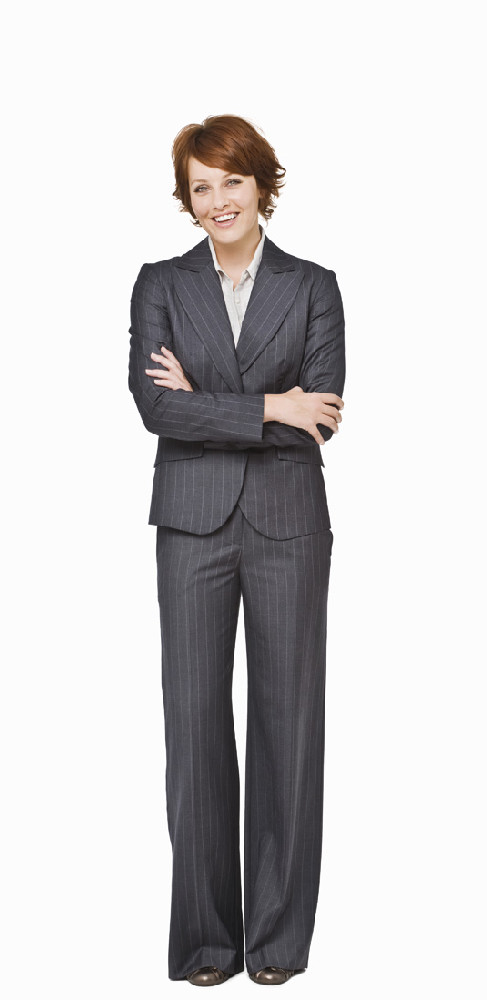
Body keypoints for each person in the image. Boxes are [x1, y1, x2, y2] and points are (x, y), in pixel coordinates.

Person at [128, 114, 346, 987]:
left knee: (290, 729)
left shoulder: (314, 287)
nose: (217, 200)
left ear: (261, 184)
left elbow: (320, 415)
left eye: (231, 181)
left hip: (290, 523)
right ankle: (208, 943)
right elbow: (156, 408)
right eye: (201, 187)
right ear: (187, 200)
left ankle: (278, 945)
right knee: (193, 731)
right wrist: (268, 406)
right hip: (191, 523)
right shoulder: (160, 284)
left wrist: (213, 402)